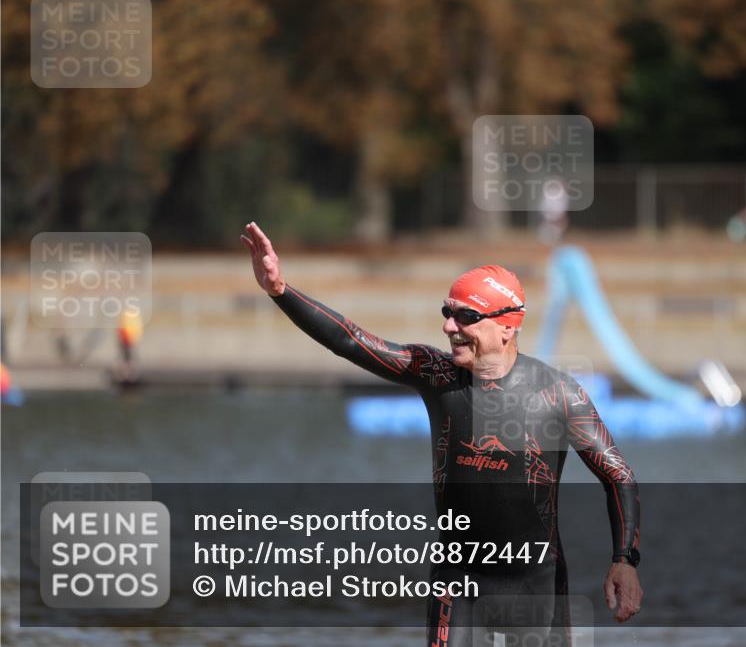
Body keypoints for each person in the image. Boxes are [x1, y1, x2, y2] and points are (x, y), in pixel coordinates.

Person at [241, 222, 642, 645]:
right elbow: (351, 340)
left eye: (466, 316)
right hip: (458, 583)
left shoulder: (559, 395)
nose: (450, 326)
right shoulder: (436, 374)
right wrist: (279, 289)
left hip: (536, 588)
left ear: (507, 327)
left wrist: (624, 560)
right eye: (447, 313)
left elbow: (618, 476)